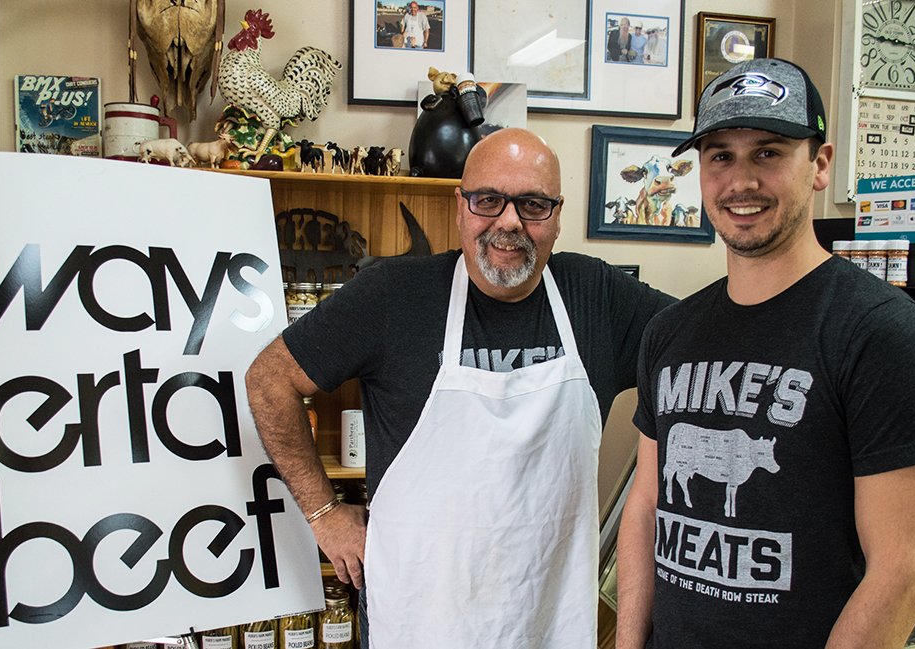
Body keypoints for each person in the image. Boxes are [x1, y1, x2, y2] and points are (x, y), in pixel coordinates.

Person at [246, 127, 676, 648]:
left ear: (558, 217)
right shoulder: (394, 296)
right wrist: (323, 514)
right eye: (488, 200)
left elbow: (703, 348)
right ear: (460, 207)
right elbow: (269, 380)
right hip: (418, 621)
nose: (509, 221)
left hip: (549, 622)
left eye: (534, 204)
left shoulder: (597, 296)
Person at [615, 58, 915, 649]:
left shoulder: (880, 332)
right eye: (720, 155)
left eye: (768, 153)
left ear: (819, 165)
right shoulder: (669, 332)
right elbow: (646, 507)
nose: (740, 181)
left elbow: (906, 572)